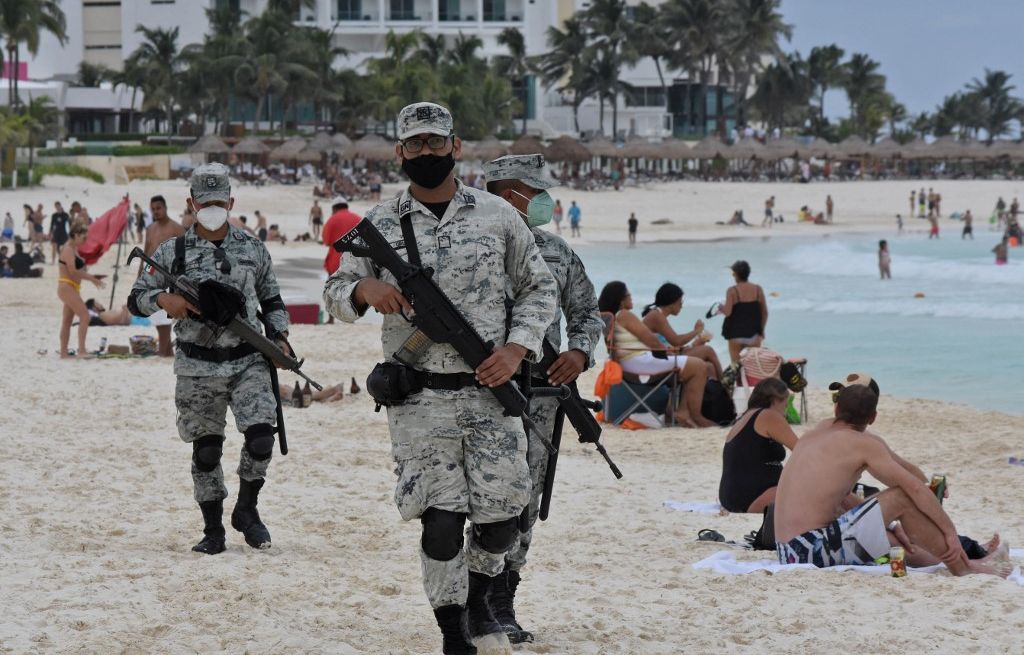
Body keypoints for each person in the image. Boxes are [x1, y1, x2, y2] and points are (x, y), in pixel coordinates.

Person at [323, 102, 557, 655]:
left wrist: (516, 347)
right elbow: (334, 293)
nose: (426, 153)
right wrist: (363, 291)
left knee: (502, 521)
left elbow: (538, 288)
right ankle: (454, 634)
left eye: (436, 143)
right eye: (415, 145)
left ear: (456, 147)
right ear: (400, 153)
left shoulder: (497, 216)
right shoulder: (379, 224)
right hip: (419, 400)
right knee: (442, 524)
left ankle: (479, 596)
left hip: (489, 393)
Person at [129, 163, 292, 556]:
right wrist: (163, 300)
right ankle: (213, 528)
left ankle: (247, 510)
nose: (213, 207)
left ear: (231, 201)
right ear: (191, 203)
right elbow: (136, 296)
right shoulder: (172, 252)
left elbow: (271, 299)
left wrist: (281, 337)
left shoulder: (253, 248)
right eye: (206, 202)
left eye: (220, 201)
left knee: (261, 439)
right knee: (206, 450)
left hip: (249, 360)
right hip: (197, 366)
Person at [483, 153, 603, 644]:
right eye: (533, 191)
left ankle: (504, 599)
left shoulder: (558, 252)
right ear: (505, 193)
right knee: (483, 498)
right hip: (482, 392)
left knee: (525, 499)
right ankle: (477, 597)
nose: (543, 200)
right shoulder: (473, 247)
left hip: (541, 394)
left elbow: (588, 312)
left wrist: (579, 351)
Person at [774, 385, 1010, 577]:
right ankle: (963, 567)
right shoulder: (862, 443)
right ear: (873, 418)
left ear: (836, 409)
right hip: (808, 549)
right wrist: (950, 533)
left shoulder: (819, 431)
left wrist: (891, 523)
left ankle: (967, 559)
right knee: (901, 497)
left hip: (788, 551)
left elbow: (838, 496)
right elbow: (914, 488)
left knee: (894, 540)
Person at [598, 281, 714, 428]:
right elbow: (651, 340)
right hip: (638, 363)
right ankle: (692, 415)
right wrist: (667, 351)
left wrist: (668, 351)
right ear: (622, 300)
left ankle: (679, 411)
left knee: (691, 364)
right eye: (629, 295)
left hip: (629, 363)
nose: (631, 298)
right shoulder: (625, 315)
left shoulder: (614, 317)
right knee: (699, 366)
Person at [718, 378, 798, 513]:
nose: (785, 413)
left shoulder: (746, 417)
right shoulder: (768, 415)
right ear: (775, 400)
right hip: (753, 496)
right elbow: (801, 449)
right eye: (785, 406)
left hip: (731, 496)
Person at [641, 282, 723, 380]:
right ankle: (726, 385)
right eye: (680, 303)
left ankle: (718, 392)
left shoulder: (658, 315)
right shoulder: (656, 316)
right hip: (659, 362)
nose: (682, 306)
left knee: (709, 366)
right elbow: (676, 341)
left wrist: (695, 343)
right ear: (672, 304)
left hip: (665, 357)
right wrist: (697, 331)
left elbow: (673, 345)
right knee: (708, 350)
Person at [144, 195, 186, 357]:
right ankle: (167, 351)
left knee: (164, 317)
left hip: (169, 277)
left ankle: (163, 352)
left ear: (165, 208)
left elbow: (186, 256)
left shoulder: (176, 229)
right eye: (153, 209)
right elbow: (146, 254)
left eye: (158, 208)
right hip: (150, 276)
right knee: (155, 316)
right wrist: (140, 277)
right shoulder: (150, 229)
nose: (156, 212)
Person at [57, 224, 104, 358]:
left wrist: (95, 277)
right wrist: (91, 279)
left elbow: (79, 270)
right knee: (85, 316)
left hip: (72, 287)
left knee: (67, 321)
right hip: (66, 286)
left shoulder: (74, 249)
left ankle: (64, 353)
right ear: (75, 235)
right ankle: (81, 351)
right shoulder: (67, 250)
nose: (85, 240)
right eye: (83, 237)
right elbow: (72, 271)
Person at [718, 260, 767, 365]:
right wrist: (761, 330)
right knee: (752, 367)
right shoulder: (758, 290)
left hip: (735, 335)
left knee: (735, 367)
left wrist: (721, 308)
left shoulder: (732, 291)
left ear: (736, 275)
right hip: (753, 335)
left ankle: (739, 382)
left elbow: (728, 313)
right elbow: (765, 313)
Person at [321, 196, 361, 276]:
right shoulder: (358, 218)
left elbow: (326, 241)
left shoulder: (332, 220)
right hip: (357, 265)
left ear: (334, 208)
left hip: (336, 264)